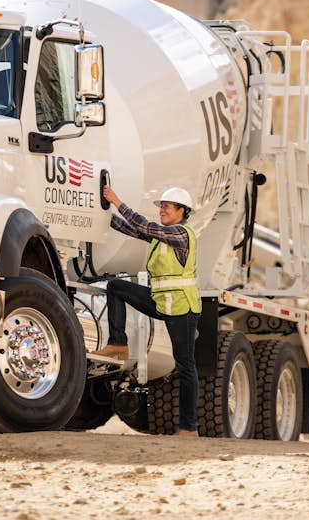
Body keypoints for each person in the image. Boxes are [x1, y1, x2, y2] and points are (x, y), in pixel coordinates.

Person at [93, 185, 201, 437]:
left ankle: (189, 428)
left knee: (186, 366)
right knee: (116, 287)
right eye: (161, 206)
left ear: (182, 211)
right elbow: (130, 228)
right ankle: (118, 344)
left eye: (166, 206)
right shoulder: (162, 236)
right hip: (162, 302)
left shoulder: (181, 234)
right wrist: (102, 213)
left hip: (182, 309)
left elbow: (142, 225)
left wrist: (117, 200)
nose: (161, 210)